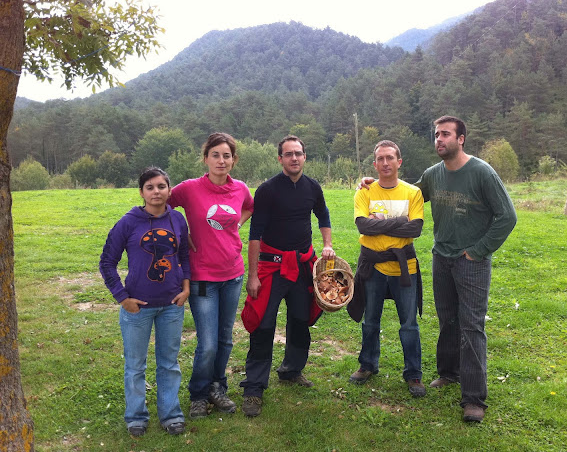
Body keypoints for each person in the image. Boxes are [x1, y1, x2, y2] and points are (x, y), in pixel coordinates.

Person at [360, 115, 517, 423]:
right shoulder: (434, 174)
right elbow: (407, 194)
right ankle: (448, 373)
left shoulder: (482, 172)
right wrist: (374, 184)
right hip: (441, 258)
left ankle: (474, 399)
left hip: (471, 261)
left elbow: (507, 216)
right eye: (436, 135)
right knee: (447, 319)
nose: (439, 140)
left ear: (461, 139)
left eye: (445, 134)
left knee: (471, 326)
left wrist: (479, 250)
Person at [239, 135, 336, 418]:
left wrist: (327, 244)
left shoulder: (312, 187)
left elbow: (323, 215)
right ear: (280, 158)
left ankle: (292, 370)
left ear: (305, 157)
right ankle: (254, 388)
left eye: (299, 153)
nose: (294, 158)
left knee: (300, 319)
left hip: (302, 266)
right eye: (289, 154)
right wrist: (253, 275)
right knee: (263, 324)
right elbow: (255, 233)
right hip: (271, 267)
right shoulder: (268, 190)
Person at [168, 132, 254, 418]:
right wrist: (182, 233)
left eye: (226, 156)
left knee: (225, 339)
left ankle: (218, 388)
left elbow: (250, 207)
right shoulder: (189, 189)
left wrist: (237, 225)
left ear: (234, 160)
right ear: (205, 158)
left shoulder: (240, 188)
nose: (221, 161)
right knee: (207, 344)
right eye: (215, 155)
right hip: (203, 278)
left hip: (233, 274)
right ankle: (199, 395)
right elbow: (162, 204)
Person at [99, 167, 190, 437]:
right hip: (137, 308)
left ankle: (171, 414)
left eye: (161, 186)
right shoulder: (128, 222)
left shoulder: (177, 219)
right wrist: (122, 297)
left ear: (169, 190)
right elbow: (107, 262)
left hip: (172, 305)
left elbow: (185, 256)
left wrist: (186, 287)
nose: (156, 192)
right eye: (150, 187)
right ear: (141, 192)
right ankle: (136, 416)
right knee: (135, 365)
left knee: (169, 363)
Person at [348, 140, 426, 398]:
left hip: (404, 267)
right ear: (374, 164)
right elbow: (363, 226)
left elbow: (415, 228)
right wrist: (400, 221)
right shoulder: (365, 192)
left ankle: (413, 373)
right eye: (380, 159)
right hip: (373, 266)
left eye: (390, 158)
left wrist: (379, 223)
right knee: (370, 320)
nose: (385, 163)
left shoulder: (413, 192)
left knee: (409, 323)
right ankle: (367, 365)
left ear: (399, 162)